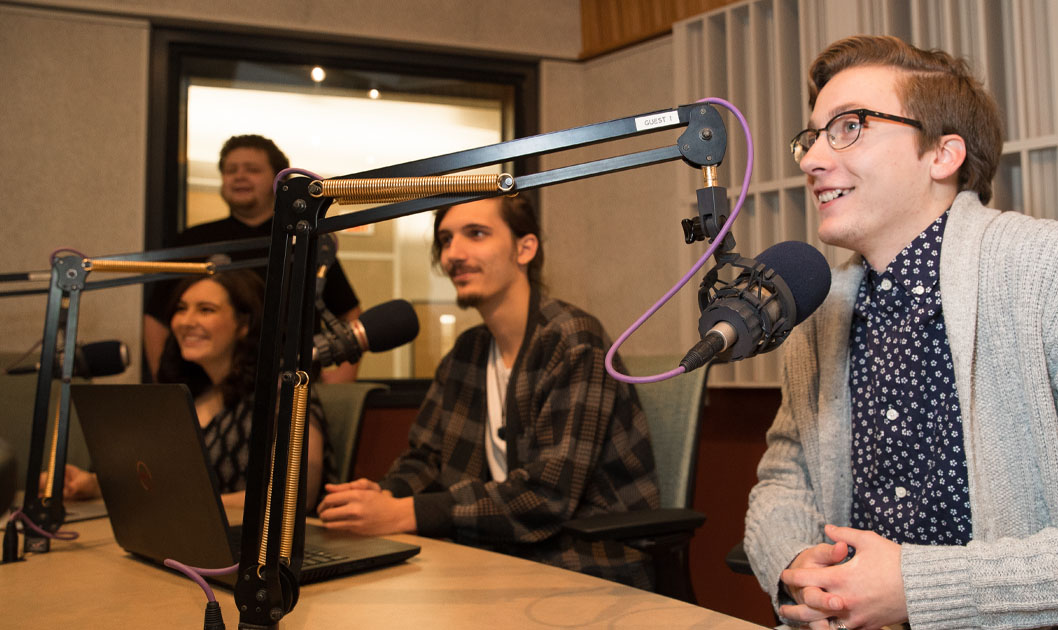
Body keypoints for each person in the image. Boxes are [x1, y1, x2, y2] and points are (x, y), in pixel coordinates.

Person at [742, 35, 1058, 630]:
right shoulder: (819, 310)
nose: (809, 159)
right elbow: (785, 477)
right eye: (812, 135)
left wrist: (922, 589)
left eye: (848, 127)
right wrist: (798, 566)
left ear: (943, 154)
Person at [316, 195, 660, 589]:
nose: (454, 254)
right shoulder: (467, 353)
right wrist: (381, 495)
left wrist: (403, 513)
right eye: (445, 240)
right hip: (497, 551)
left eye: (476, 234)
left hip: (586, 560)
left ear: (525, 248)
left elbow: (547, 496)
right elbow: (426, 460)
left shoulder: (573, 340)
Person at [61, 270, 335, 512]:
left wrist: (172, 500)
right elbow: (156, 480)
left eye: (206, 310)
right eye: (181, 308)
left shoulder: (286, 392)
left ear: (244, 324)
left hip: (267, 557)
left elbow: (294, 498)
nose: (186, 321)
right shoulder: (188, 394)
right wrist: (95, 485)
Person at [143, 134, 362, 383]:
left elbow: (348, 313)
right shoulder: (193, 240)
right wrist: (165, 383)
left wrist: (342, 378)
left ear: (279, 181)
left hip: (289, 389)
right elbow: (156, 318)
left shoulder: (304, 239)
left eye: (252, 170)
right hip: (202, 388)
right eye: (230, 170)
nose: (239, 176)